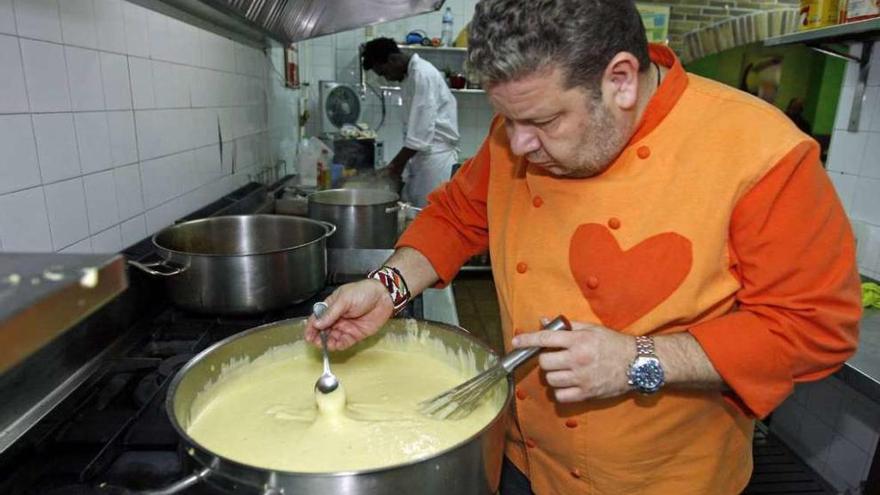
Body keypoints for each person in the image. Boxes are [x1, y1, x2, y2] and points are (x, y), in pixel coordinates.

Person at [308, 1, 862, 493]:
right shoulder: (518, 136)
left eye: (543, 120)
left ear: (620, 79)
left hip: (664, 479)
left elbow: (813, 327)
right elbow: (454, 217)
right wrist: (387, 286)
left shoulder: (762, 154)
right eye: (508, 120)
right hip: (523, 459)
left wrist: (640, 359)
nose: (518, 143)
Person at [362, 37, 460, 207]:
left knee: (429, 216)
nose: (387, 78)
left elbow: (420, 134)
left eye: (384, 73)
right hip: (422, 158)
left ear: (393, 59)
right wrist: (397, 167)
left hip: (435, 162)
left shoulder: (422, 74)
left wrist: (394, 167)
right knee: (414, 214)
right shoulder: (410, 76)